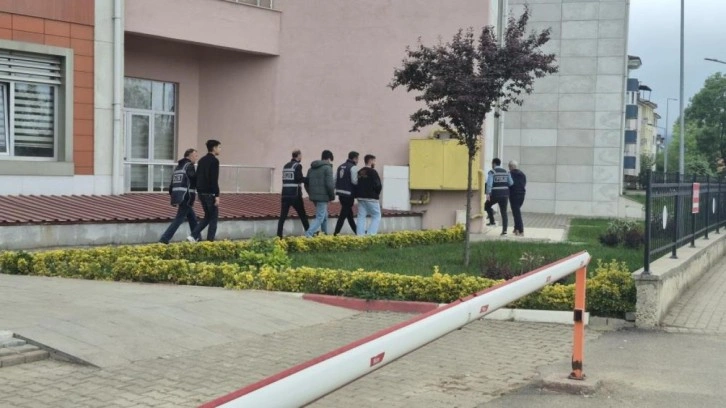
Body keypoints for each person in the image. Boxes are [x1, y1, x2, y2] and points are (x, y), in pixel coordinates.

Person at [159, 148, 201, 244]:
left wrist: (174, 195)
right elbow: (194, 180)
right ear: (189, 156)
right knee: (179, 219)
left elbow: (172, 185)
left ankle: (197, 237)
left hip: (179, 196)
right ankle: (164, 239)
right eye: (195, 156)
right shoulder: (189, 166)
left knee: (192, 218)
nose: (196, 158)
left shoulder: (178, 167)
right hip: (186, 197)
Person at [188, 139, 221, 242]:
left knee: (207, 216)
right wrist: (217, 195)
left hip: (201, 193)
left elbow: (197, 177)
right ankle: (210, 242)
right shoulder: (214, 161)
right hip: (210, 194)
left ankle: (193, 236)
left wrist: (199, 191)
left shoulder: (201, 160)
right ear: (214, 148)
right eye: (219, 147)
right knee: (213, 218)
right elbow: (214, 179)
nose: (220, 149)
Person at [277, 149, 310, 238]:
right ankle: (309, 233)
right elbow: (299, 178)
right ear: (298, 155)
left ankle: (279, 236)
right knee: (302, 215)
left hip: (285, 194)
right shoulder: (297, 166)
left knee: (282, 216)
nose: (301, 157)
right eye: (301, 155)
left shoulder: (285, 166)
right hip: (295, 195)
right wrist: (308, 179)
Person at [304, 150, 335, 237]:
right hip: (323, 197)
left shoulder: (311, 169)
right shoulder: (328, 168)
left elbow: (306, 183)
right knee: (320, 217)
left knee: (324, 215)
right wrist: (332, 196)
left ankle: (324, 234)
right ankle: (309, 233)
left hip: (314, 197)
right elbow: (329, 185)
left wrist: (311, 193)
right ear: (329, 158)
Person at [485, 158, 513, 236]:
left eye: (492, 164)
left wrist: (488, 193)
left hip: (495, 194)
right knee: (504, 212)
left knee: (486, 206)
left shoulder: (492, 172)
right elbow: (511, 183)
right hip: (505, 194)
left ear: (494, 164)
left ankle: (492, 221)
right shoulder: (506, 172)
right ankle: (504, 231)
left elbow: (489, 184)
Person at [333, 151, 359, 236]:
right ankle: (335, 234)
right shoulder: (353, 167)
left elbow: (335, 180)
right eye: (357, 159)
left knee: (349, 215)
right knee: (343, 215)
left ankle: (357, 232)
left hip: (340, 194)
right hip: (349, 194)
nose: (358, 161)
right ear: (354, 158)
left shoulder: (340, 166)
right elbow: (355, 181)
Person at [356, 154, 382, 236]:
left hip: (360, 197)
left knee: (361, 216)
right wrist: (376, 194)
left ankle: (360, 236)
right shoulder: (373, 172)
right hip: (371, 197)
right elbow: (378, 185)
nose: (375, 163)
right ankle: (371, 235)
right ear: (370, 161)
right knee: (376, 216)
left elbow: (356, 184)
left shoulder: (360, 171)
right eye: (374, 161)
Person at [508, 160, 527, 236]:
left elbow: (509, 184)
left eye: (509, 167)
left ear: (510, 166)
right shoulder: (522, 174)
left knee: (517, 213)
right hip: (522, 195)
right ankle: (516, 228)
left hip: (514, 195)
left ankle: (521, 230)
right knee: (516, 212)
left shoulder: (509, 174)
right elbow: (524, 184)